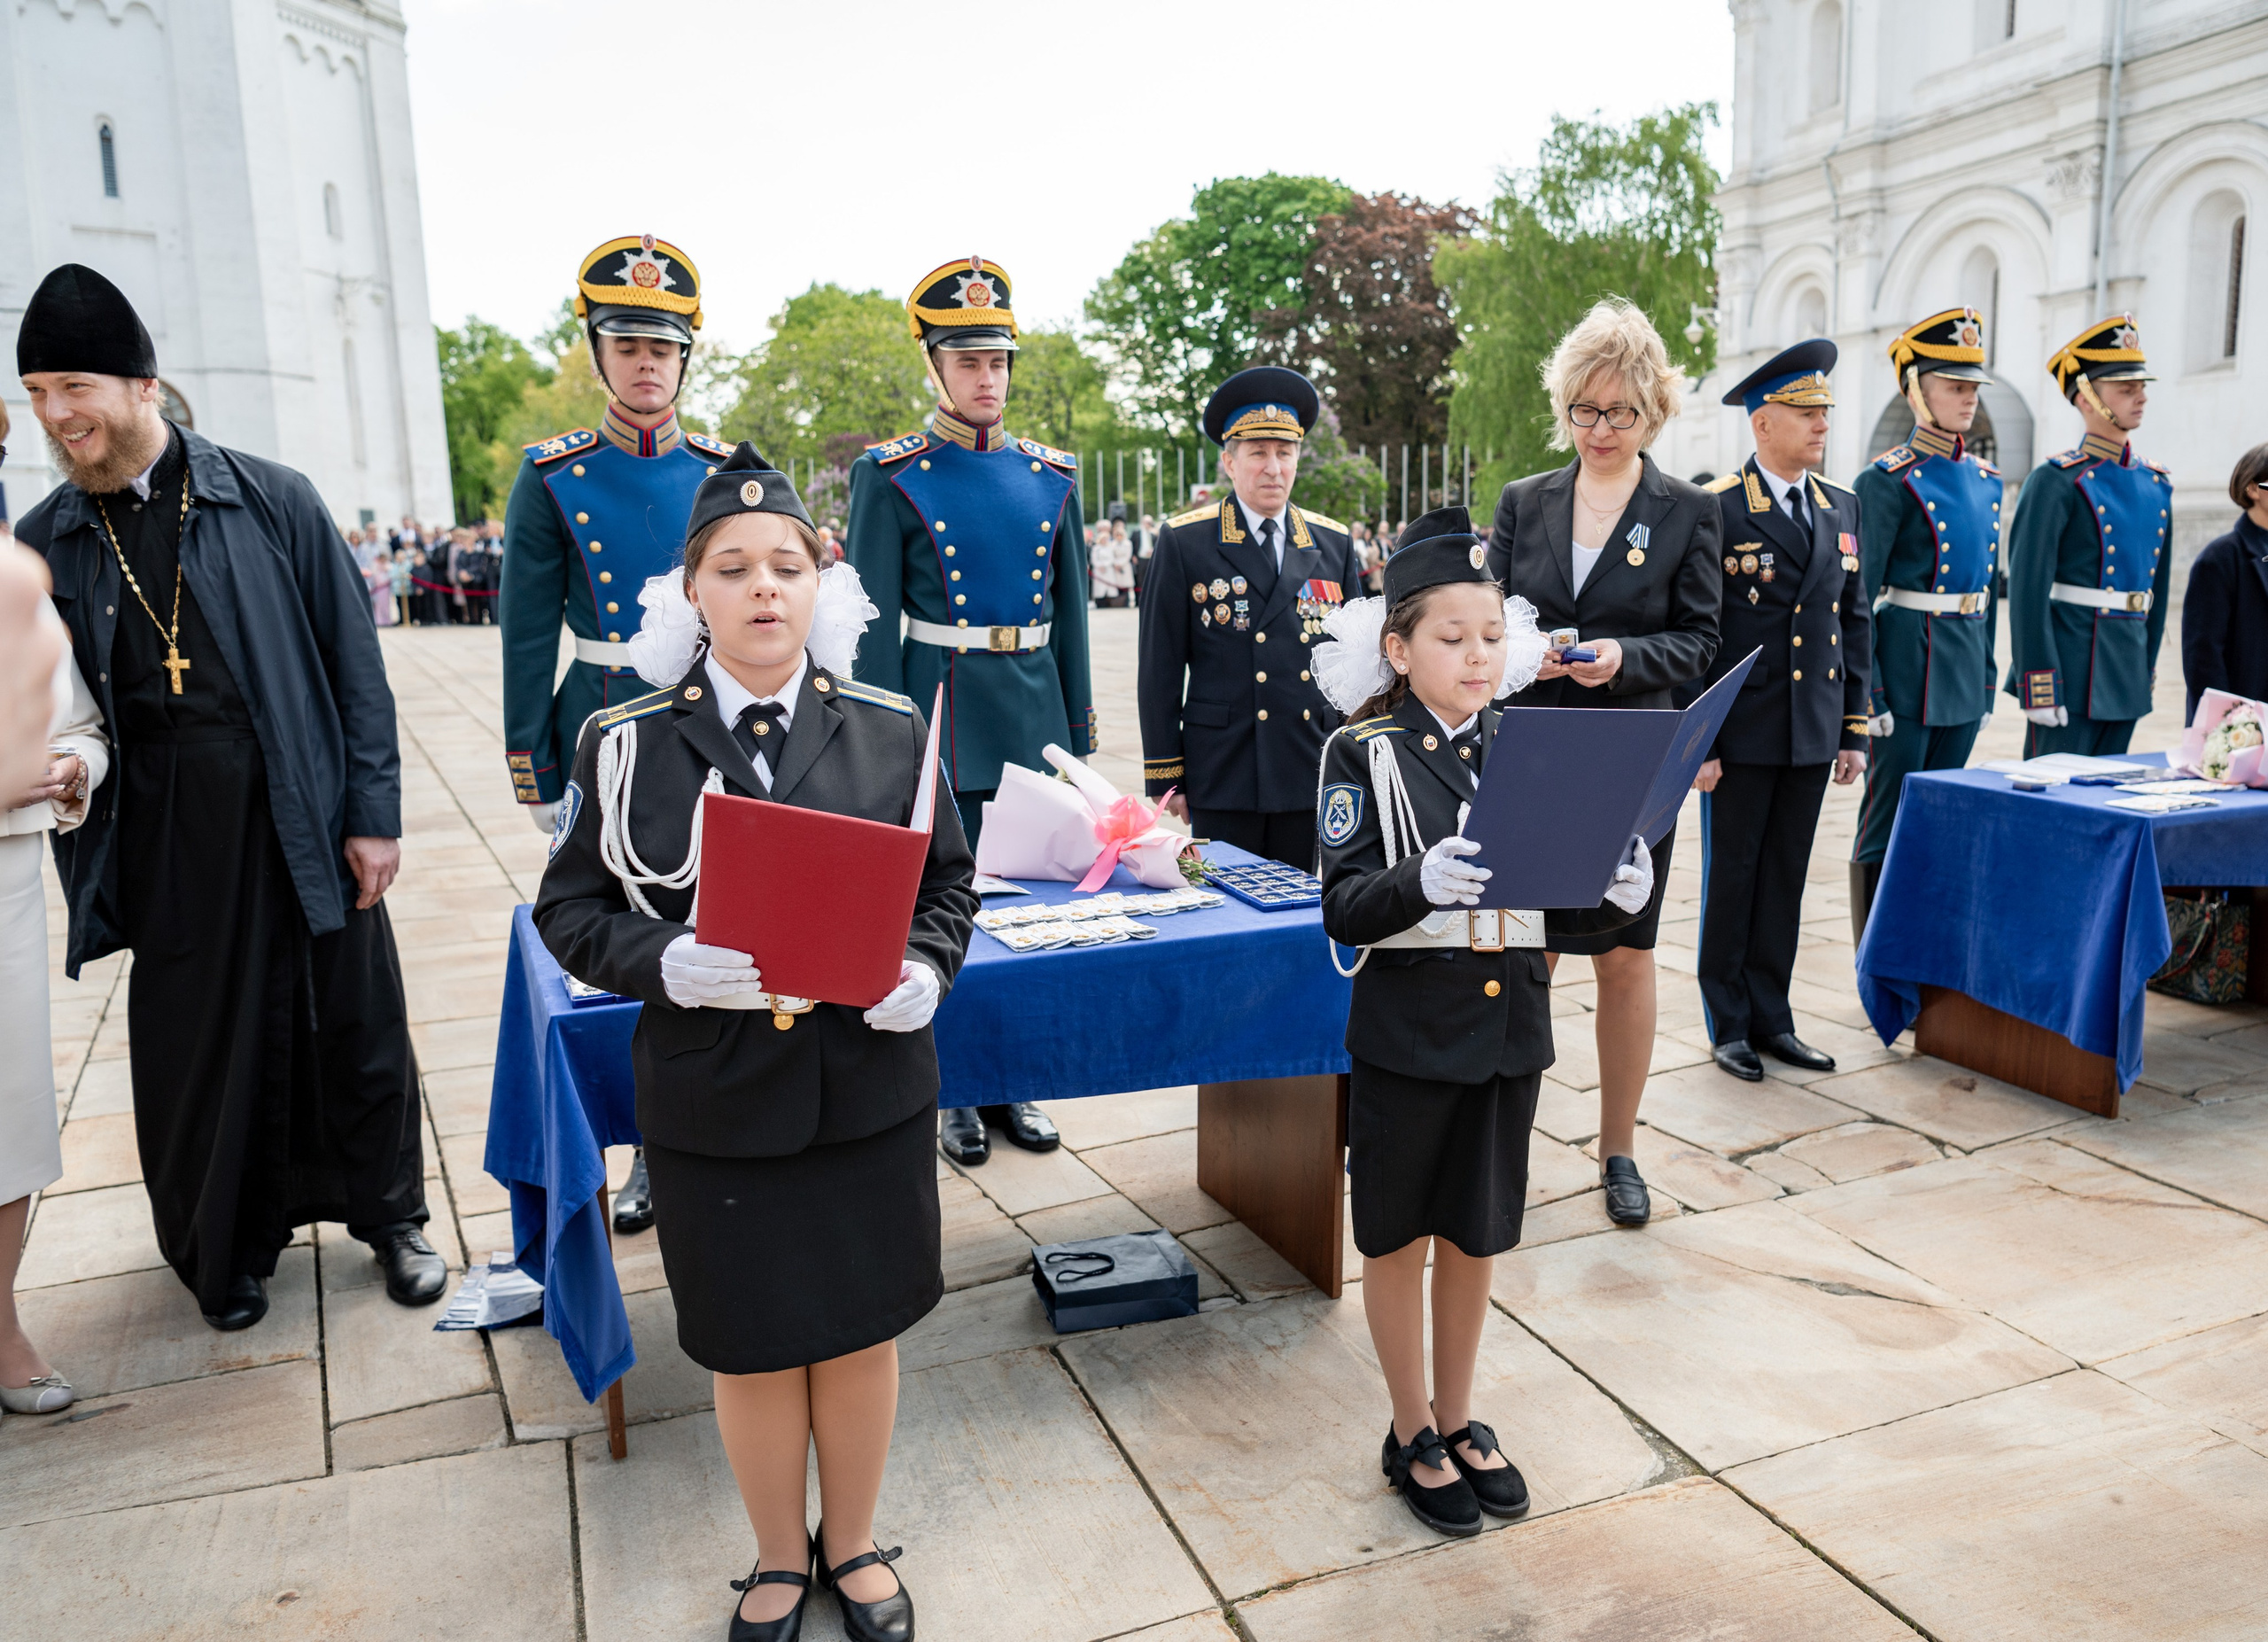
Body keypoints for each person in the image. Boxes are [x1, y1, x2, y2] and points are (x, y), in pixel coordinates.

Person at [537, 443, 975, 1642]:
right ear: (692, 595)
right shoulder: (623, 742)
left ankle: (854, 1538)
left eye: (786, 563)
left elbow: (949, 887)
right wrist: (655, 960)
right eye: (732, 567)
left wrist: (929, 968)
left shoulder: (891, 728)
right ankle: (780, 1554)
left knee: (861, 1326)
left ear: (820, 585)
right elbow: (567, 910)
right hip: (716, 1098)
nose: (762, 586)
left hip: (865, 1088)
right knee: (752, 1342)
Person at [15, 263, 441, 1331]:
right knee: (202, 1042)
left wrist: (373, 812)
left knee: (354, 1021)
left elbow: (355, 666)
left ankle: (392, 1220)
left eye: (75, 387)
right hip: (164, 827)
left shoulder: (272, 496)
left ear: (143, 386)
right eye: (37, 395)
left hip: (301, 802)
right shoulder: (47, 536)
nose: (58, 416)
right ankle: (226, 1243)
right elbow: (42, 698)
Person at [1313, 506, 1651, 1538]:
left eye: (1492, 636)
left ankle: (1459, 1413)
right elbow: (1342, 905)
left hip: (1509, 1031)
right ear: (1398, 646)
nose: (1475, 655)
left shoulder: (1532, 740)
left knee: (1476, 1229)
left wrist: (1615, 896)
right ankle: (1409, 1423)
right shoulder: (1360, 750)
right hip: (1410, 1032)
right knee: (1397, 1233)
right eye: (1450, 637)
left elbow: (1560, 899)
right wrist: (1420, 877)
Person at [499, 235, 731, 1233]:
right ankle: (635, 1140)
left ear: (686, 359)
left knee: (714, 923)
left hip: (709, 723)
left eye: (663, 348)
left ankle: (708, 1110)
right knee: (623, 934)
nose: (646, 364)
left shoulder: (727, 470)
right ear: (597, 352)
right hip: (601, 721)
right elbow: (522, 630)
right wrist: (534, 761)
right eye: (627, 344)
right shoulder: (553, 475)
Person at [843, 255, 1091, 1170]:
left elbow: (1067, 614)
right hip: (936, 716)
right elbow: (867, 619)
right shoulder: (893, 474)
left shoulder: (1051, 474)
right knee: (942, 912)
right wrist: (866, 740)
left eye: (997, 362)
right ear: (935, 367)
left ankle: (1012, 1078)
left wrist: (1079, 741)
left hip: (1029, 715)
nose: (986, 379)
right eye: (967, 362)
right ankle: (950, 1086)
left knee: (1024, 913)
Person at [1485, 298, 1720, 1227]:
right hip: (1535, 751)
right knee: (1525, 951)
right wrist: (1518, 651)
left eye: (1619, 411)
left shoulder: (1686, 510)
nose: (1599, 429)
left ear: (1652, 411)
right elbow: (1491, 616)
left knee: (1624, 953)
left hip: (1630, 754)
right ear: (1564, 405)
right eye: (1584, 409)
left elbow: (1700, 640)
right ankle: (1507, 1134)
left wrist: (1624, 656)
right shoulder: (1523, 500)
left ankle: (1617, 1145)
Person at [1689, 342, 1872, 1080]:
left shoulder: (1842, 505)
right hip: (1742, 733)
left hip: (1810, 728)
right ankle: (1728, 1022)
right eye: (1805, 412)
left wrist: (1853, 727)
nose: (1821, 422)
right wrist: (1698, 740)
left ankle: (1775, 1016)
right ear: (1764, 423)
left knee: (1786, 879)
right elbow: (1702, 632)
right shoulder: (1719, 507)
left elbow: (1852, 621)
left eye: (1824, 410)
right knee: (1732, 879)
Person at [1137, 366, 1363, 868]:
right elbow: (1160, 666)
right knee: (1224, 911)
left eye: (1285, 453)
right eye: (1258, 453)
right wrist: (1165, 774)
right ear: (1229, 462)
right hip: (1224, 767)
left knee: (1301, 911)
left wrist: (1356, 760)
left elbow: (1356, 669)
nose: (1273, 468)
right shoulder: (1185, 541)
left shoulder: (1333, 543)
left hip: (1308, 762)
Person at [1848, 308, 2002, 940]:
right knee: (1888, 816)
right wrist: (1870, 693)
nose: (1967, 398)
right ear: (1915, 388)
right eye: (1952, 385)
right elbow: (1855, 598)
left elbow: (1990, 590)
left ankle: (1929, 946)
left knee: (1945, 816)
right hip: (1907, 665)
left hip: (1962, 666)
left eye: (1971, 387)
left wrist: (1988, 676)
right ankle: (1876, 954)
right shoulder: (1884, 480)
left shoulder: (1987, 479)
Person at [2004, 315, 2174, 757]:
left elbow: (2154, 593)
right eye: (2125, 389)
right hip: (2071, 671)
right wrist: (2039, 685)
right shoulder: (2055, 480)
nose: (2141, 397)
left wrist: (2144, 670)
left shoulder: (2156, 484)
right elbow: (2027, 592)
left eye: (2142, 387)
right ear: (2086, 398)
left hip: (2125, 670)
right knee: (2052, 811)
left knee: (2106, 811)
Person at [2181, 441, 2268, 720]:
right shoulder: (2220, 558)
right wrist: (2230, 725)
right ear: (2254, 488)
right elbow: (2203, 659)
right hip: (2244, 726)